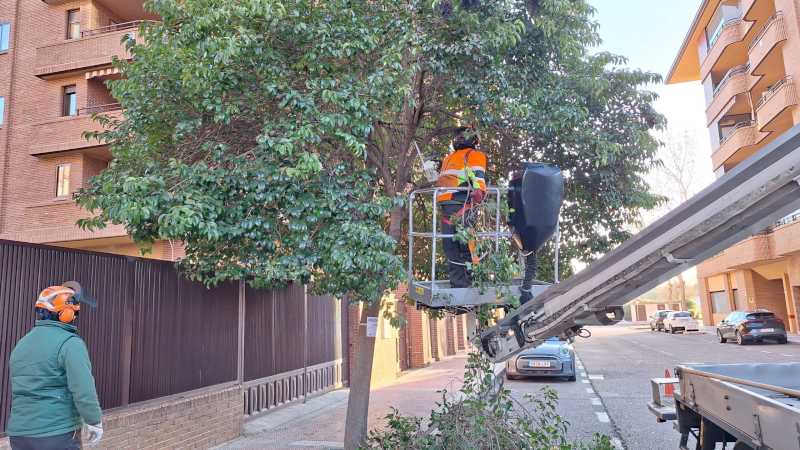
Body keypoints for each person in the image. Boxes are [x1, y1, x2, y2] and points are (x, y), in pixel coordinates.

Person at [7, 282, 103, 450]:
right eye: (74, 312)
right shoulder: (70, 344)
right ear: (65, 314)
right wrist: (94, 421)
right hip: (56, 434)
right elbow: (83, 389)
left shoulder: (21, 344)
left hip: (19, 436)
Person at [436, 126, 488, 288]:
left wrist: (479, 192)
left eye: (462, 135)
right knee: (450, 245)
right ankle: (459, 284)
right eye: (457, 135)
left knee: (465, 245)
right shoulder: (448, 158)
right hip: (447, 206)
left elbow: (478, 178)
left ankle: (473, 280)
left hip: (461, 204)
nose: (458, 138)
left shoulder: (475, 155)